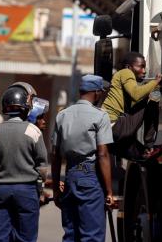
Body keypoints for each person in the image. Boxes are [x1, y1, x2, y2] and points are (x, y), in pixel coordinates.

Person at [51, 74, 114, 242]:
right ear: (96, 92)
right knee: (91, 235)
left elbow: (55, 155)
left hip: (70, 175)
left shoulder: (62, 115)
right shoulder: (100, 116)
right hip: (90, 178)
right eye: (101, 91)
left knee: (71, 234)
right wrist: (109, 191)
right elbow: (102, 154)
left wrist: (57, 187)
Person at [0, 82, 47, 242]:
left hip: (1, 190)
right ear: (26, 108)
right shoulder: (33, 131)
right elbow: (42, 168)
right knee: (25, 238)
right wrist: (40, 191)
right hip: (26, 192)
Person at [102, 52, 162, 160]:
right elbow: (136, 94)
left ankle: (147, 152)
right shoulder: (126, 72)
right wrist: (156, 82)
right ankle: (149, 144)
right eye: (141, 67)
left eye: (145, 67)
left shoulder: (121, 79)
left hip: (109, 132)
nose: (144, 71)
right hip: (115, 126)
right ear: (128, 66)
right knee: (152, 98)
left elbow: (135, 104)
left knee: (143, 157)